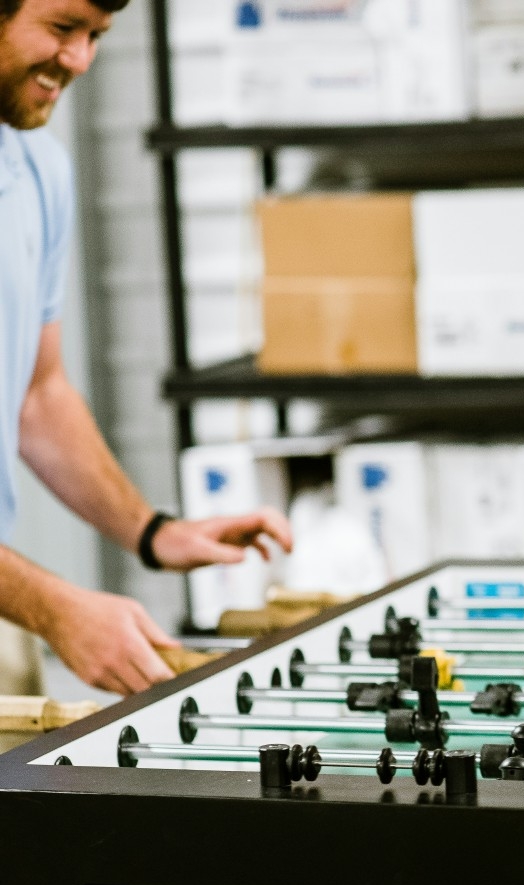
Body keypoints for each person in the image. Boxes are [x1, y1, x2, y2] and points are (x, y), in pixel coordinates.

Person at [0, 0, 292, 699]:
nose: (80, 61)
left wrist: (151, 530)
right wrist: (55, 608)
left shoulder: (38, 169)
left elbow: (39, 396)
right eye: (63, 28)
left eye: (97, 37)